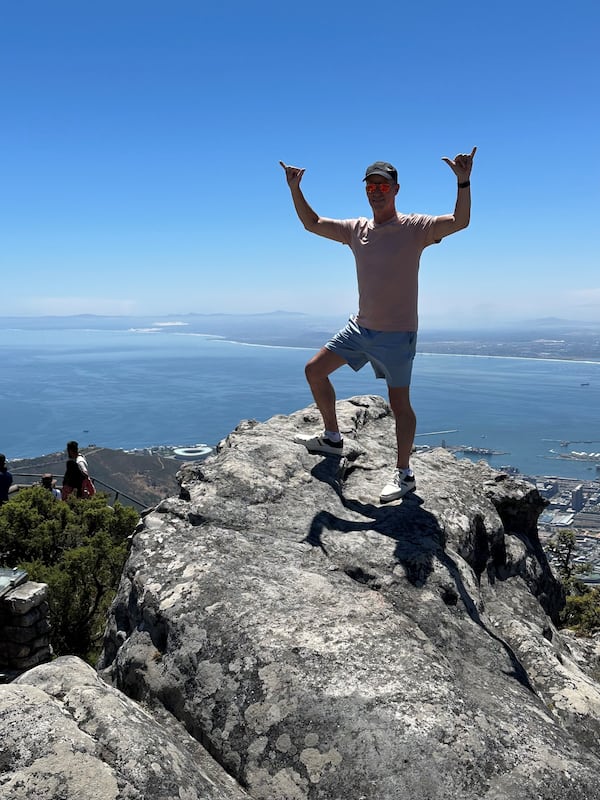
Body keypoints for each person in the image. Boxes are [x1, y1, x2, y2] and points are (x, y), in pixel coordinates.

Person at [280, 149, 476, 502]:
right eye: (371, 186)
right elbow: (313, 224)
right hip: (361, 328)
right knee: (314, 371)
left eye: (383, 186)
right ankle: (332, 438)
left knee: (400, 404)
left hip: (397, 334)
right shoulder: (357, 230)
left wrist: (463, 180)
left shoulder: (416, 227)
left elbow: (460, 221)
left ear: (396, 189)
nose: (376, 191)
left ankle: (404, 474)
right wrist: (295, 188)